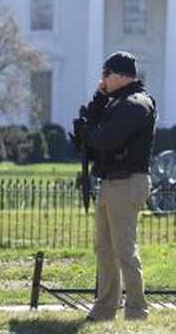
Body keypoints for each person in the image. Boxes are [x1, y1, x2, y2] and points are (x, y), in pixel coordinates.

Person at [72, 51, 157, 321]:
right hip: (110, 181)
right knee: (105, 250)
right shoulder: (117, 102)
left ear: (121, 76)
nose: (103, 79)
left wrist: (88, 134)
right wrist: (98, 98)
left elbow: (106, 139)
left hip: (128, 182)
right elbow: (93, 125)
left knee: (124, 251)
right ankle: (105, 309)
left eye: (106, 74)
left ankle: (137, 310)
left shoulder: (136, 104)